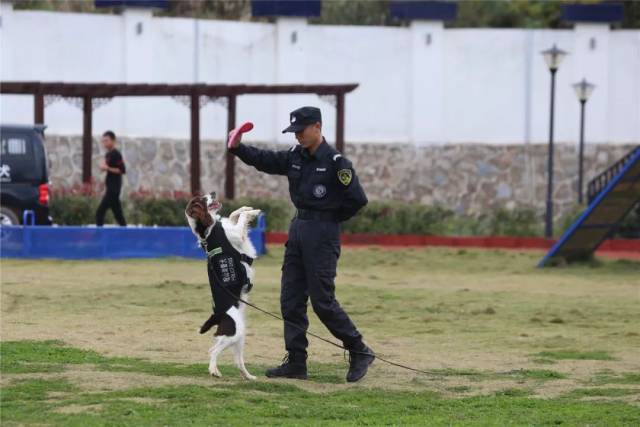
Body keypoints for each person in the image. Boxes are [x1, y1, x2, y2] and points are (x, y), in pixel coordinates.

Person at [228, 106, 374, 382]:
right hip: (298, 231)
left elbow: (357, 200)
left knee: (322, 302)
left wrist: (328, 219)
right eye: (294, 132)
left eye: (301, 131)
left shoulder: (335, 162)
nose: (297, 137)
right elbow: (267, 160)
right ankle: (296, 362)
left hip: (322, 233)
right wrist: (238, 148)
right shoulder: (296, 156)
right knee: (291, 299)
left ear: (317, 127)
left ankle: (359, 349)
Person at [95, 130, 127, 226]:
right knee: (118, 215)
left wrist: (107, 168)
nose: (105, 143)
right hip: (110, 187)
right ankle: (127, 234)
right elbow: (106, 167)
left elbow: (122, 170)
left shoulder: (116, 154)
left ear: (113, 141)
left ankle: (99, 236)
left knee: (99, 213)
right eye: (103, 141)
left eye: (107, 140)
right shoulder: (108, 154)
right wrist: (104, 167)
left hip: (114, 189)